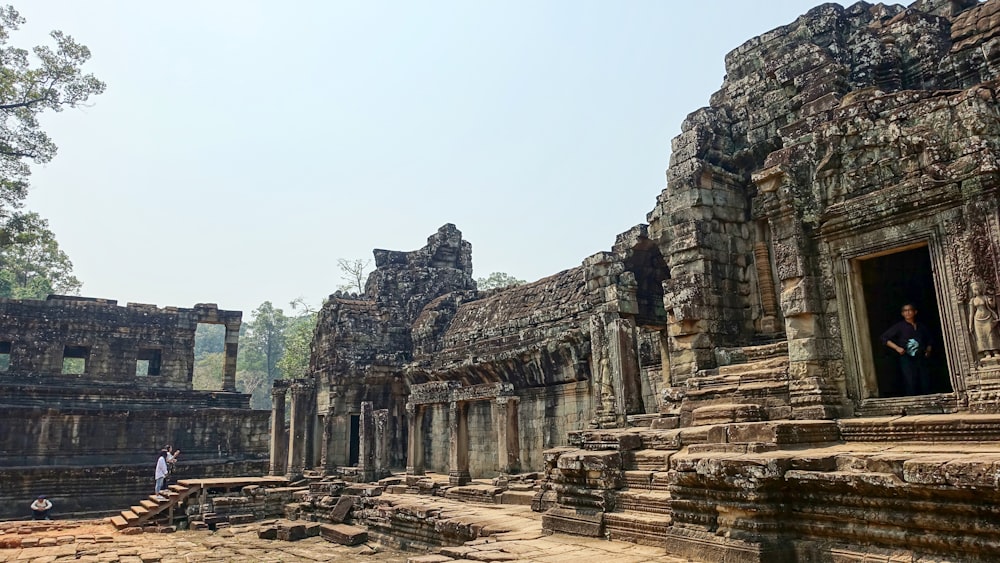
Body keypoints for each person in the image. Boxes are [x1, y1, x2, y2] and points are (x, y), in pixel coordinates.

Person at [881, 302, 933, 396]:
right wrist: (897, 348)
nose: (907, 312)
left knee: (925, 381)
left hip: (921, 358)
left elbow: (929, 339)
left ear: (915, 312)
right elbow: (884, 338)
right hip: (907, 358)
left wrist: (928, 351)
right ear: (902, 314)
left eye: (910, 310)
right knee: (910, 381)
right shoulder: (900, 326)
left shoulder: (921, 327)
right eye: (905, 311)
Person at [968, 280, 1000, 361]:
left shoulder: (985, 297)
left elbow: (992, 306)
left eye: (978, 289)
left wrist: (992, 299)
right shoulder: (973, 300)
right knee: (981, 336)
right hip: (978, 320)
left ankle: (995, 350)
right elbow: (971, 313)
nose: (977, 291)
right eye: (975, 290)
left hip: (988, 317)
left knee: (991, 334)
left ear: (981, 289)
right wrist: (970, 324)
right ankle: (987, 353)